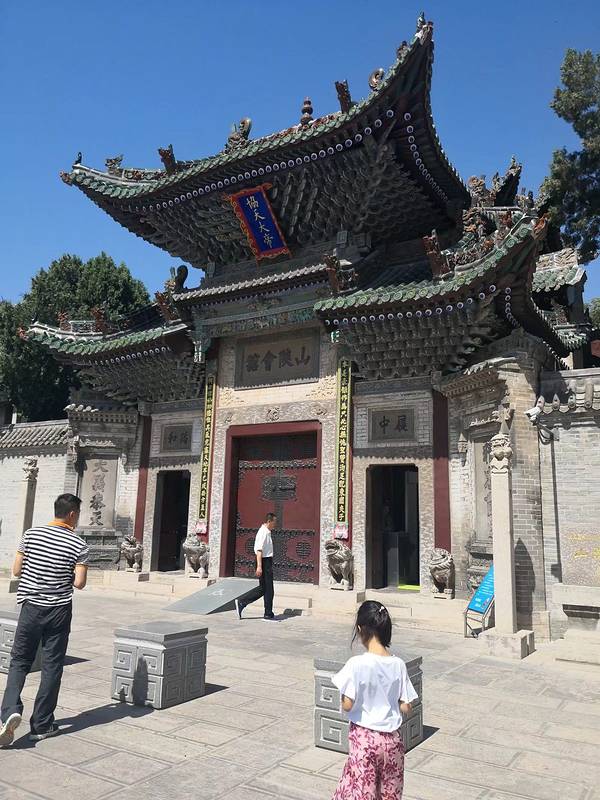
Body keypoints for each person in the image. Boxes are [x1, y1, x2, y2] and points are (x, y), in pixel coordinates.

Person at [0, 493, 89, 747]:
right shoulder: (79, 544)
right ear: (72, 514)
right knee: (52, 665)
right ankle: (41, 725)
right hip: (58, 610)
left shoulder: (30, 535)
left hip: (31, 608)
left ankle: (8, 712)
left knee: (19, 661)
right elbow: (79, 583)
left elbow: (16, 570)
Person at [331, 600, 418, 799]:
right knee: (390, 794)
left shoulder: (356, 663)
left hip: (364, 740)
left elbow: (347, 705)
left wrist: (344, 696)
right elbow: (406, 707)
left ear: (360, 629)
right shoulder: (398, 664)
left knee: (363, 792)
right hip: (392, 741)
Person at [235, 512, 277, 620]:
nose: (275, 524)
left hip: (266, 561)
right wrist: (259, 566)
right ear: (269, 521)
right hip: (264, 561)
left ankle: (242, 602)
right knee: (268, 589)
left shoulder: (267, 532)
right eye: (274, 522)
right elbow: (259, 550)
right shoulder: (263, 532)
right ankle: (267, 613)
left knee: (264, 588)